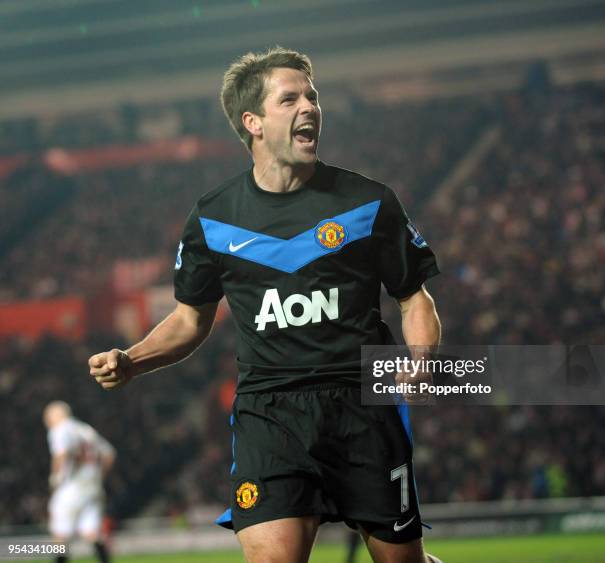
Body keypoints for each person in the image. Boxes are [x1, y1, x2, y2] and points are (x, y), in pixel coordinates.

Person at [89, 47, 442, 563]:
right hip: (269, 414)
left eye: (312, 96)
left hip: (364, 407)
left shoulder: (368, 202)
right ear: (252, 122)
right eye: (290, 98)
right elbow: (190, 319)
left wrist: (422, 361)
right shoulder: (213, 218)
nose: (310, 107)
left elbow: (414, 296)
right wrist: (132, 359)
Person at [43, 401, 115, 563]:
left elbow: (60, 454)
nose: (47, 423)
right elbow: (109, 455)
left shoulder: (61, 429)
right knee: (92, 533)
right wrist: (98, 477)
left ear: (55, 416)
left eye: (47, 418)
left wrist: (55, 478)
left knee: (60, 535)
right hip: (93, 487)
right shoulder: (85, 429)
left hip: (71, 488)